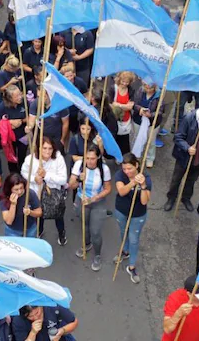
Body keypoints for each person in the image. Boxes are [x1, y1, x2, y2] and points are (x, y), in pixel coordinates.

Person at [164, 99, 199, 212]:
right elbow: (178, 137)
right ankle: (171, 198)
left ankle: (186, 198)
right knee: (176, 179)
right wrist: (187, 147)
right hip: (184, 157)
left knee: (191, 181)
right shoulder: (190, 118)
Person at [69, 145, 112, 271]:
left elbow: (108, 188)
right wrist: (78, 179)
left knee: (95, 231)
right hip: (81, 200)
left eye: (92, 158)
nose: (89, 161)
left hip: (97, 202)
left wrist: (94, 198)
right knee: (85, 225)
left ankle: (97, 255)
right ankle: (87, 245)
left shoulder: (104, 169)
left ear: (98, 157)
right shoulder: (79, 165)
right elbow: (71, 185)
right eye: (87, 158)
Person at [21, 136, 68, 244]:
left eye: (50, 148)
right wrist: (34, 179)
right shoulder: (30, 159)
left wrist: (46, 175)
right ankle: (40, 231)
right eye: (44, 148)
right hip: (36, 193)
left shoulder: (58, 158)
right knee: (39, 214)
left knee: (58, 215)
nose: (47, 151)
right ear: (39, 148)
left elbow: (63, 179)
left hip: (53, 193)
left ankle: (61, 233)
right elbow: (24, 172)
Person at [114, 153, 151, 284]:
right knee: (123, 233)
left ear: (136, 165)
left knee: (134, 239)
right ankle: (125, 251)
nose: (127, 171)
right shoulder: (120, 175)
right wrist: (133, 182)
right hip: (121, 211)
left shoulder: (146, 177)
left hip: (138, 214)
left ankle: (132, 266)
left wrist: (143, 185)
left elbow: (144, 201)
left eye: (129, 168)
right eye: (124, 168)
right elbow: (121, 191)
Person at [0, 172, 42, 237]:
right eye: (16, 189)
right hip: (12, 230)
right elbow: (9, 221)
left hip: (30, 228)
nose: (19, 191)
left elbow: (39, 213)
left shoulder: (30, 194)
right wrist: (13, 204)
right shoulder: (4, 198)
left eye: (21, 188)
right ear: (10, 189)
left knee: (30, 243)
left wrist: (30, 212)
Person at [12, 304, 78, 341]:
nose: (35, 317)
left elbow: (74, 322)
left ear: (40, 306)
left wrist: (62, 330)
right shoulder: (18, 321)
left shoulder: (52, 306)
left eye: (37, 313)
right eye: (30, 316)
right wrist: (33, 333)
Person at [110, 72, 137, 156]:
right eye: (123, 81)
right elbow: (110, 104)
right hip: (114, 119)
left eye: (127, 82)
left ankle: (124, 157)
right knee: (114, 138)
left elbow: (130, 106)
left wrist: (118, 105)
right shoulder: (113, 88)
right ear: (119, 79)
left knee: (125, 140)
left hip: (126, 118)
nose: (124, 84)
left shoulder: (131, 90)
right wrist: (124, 106)